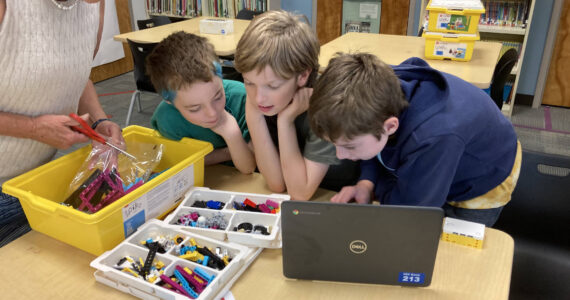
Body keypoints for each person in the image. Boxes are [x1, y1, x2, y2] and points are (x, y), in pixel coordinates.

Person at [308, 53, 521, 227]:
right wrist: (366, 182)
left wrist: (384, 192)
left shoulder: (433, 137)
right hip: (443, 150)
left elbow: (414, 210)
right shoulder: (377, 92)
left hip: (485, 173)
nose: (339, 155)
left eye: (349, 146)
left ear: (390, 126)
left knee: (449, 256)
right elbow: (375, 145)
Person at [0, 0, 123, 246]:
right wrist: (33, 128)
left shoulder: (92, 4)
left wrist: (98, 119)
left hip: (32, 181)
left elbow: (75, 70)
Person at [234, 10, 359, 201]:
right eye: (248, 82)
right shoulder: (262, 101)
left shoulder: (327, 109)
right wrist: (254, 115)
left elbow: (299, 194)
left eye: (272, 86)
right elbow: (276, 184)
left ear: (303, 75)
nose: (258, 98)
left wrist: (285, 121)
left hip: (334, 198)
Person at [147, 32, 255, 174]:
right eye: (195, 109)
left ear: (221, 77)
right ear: (169, 101)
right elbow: (181, 162)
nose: (212, 113)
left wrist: (232, 134)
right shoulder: (166, 118)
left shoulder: (243, 98)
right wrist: (228, 152)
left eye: (218, 97)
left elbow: (248, 168)